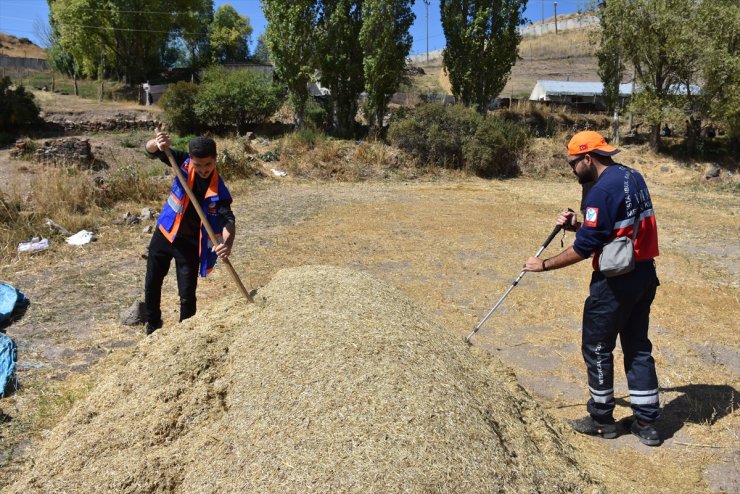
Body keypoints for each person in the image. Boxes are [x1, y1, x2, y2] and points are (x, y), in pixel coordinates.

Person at [523, 131, 662, 446]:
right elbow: (613, 226)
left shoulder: (601, 191)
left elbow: (585, 248)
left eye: (573, 164)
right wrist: (577, 223)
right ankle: (647, 423)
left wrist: (542, 265)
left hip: (614, 282)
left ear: (588, 158)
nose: (572, 170)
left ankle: (601, 420)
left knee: (598, 348)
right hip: (644, 275)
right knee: (638, 346)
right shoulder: (632, 176)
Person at [143, 132, 236, 335]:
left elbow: (229, 221)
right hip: (165, 233)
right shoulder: (182, 163)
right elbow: (150, 151)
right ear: (191, 159)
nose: (203, 170)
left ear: (215, 160)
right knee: (152, 282)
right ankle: (152, 324)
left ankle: (186, 334)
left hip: (190, 244)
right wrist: (156, 143)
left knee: (187, 294)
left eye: (208, 165)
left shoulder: (218, 189)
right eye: (198, 165)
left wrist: (226, 245)